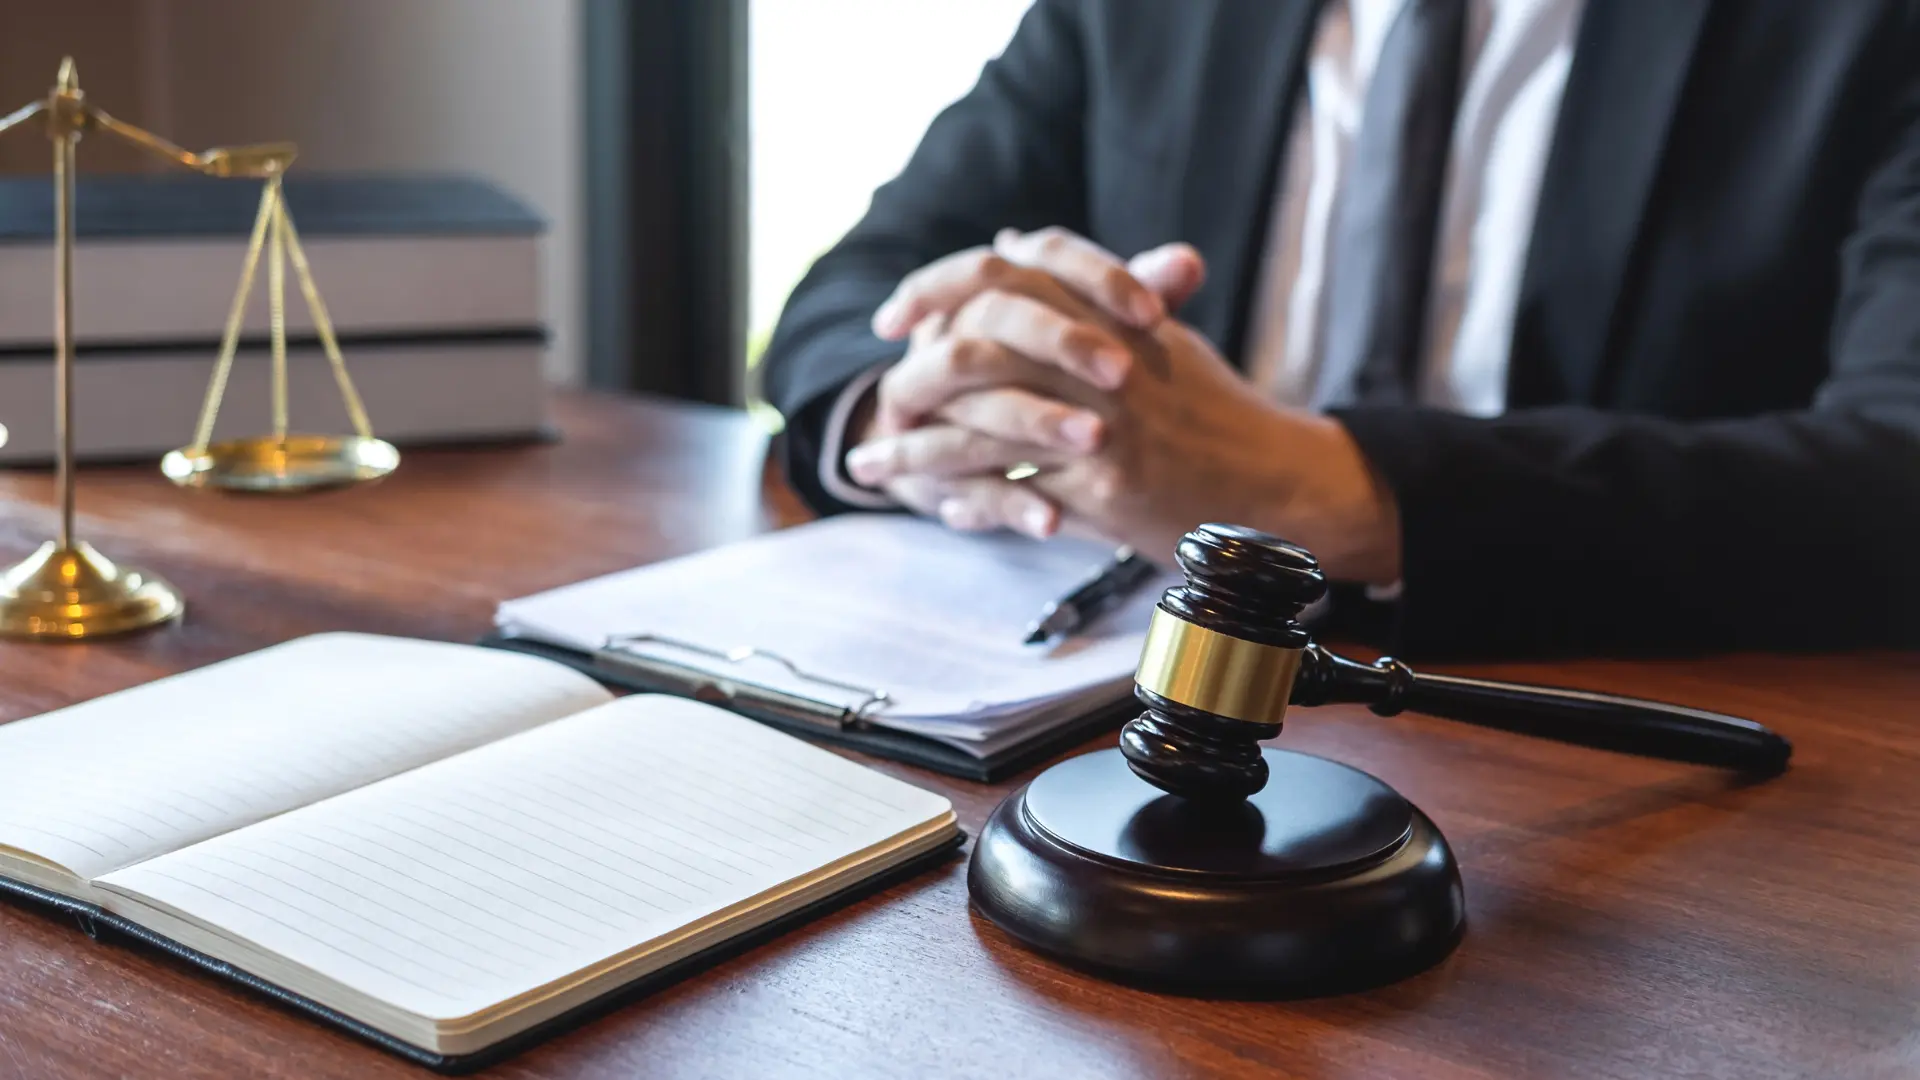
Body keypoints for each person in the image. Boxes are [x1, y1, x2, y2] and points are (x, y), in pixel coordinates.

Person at [758, 0, 1920, 658]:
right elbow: (853, 297)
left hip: (1598, 740)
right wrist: (928, 410)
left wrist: (1337, 493)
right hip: (1104, 690)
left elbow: (1895, 475)